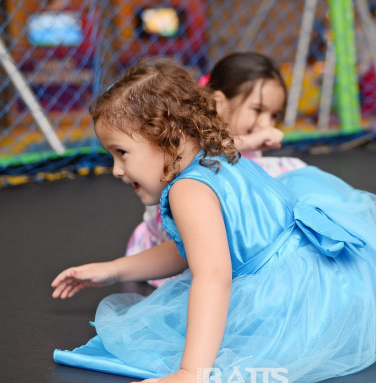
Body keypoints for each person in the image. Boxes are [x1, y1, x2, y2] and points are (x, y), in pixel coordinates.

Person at [51, 59, 376, 383]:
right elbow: (191, 249)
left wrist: (191, 374)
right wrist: (114, 269)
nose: (116, 170)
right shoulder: (215, 155)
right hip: (333, 277)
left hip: (289, 297)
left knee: (175, 336)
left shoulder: (187, 189)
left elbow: (213, 276)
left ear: (167, 137)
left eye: (121, 152)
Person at [125, 52, 307, 287]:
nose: (266, 123)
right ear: (219, 103)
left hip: (219, 238)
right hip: (174, 246)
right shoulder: (191, 131)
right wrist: (251, 141)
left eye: (273, 115)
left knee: (295, 171)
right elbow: (206, 151)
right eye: (257, 110)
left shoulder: (247, 143)